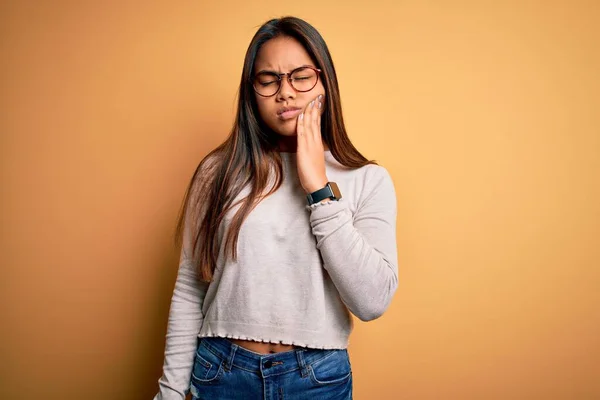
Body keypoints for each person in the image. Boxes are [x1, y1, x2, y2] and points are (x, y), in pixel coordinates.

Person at [153, 16, 398, 400]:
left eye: (301, 76)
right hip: (222, 374)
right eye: (268, 80)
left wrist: (317, 187)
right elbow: (190, 287)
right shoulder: (217, 172)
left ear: (325, 82)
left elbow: (371, 302)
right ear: (251, 92)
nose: (285, 92)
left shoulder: (368, 179)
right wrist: (169, 393)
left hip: (318, 381)